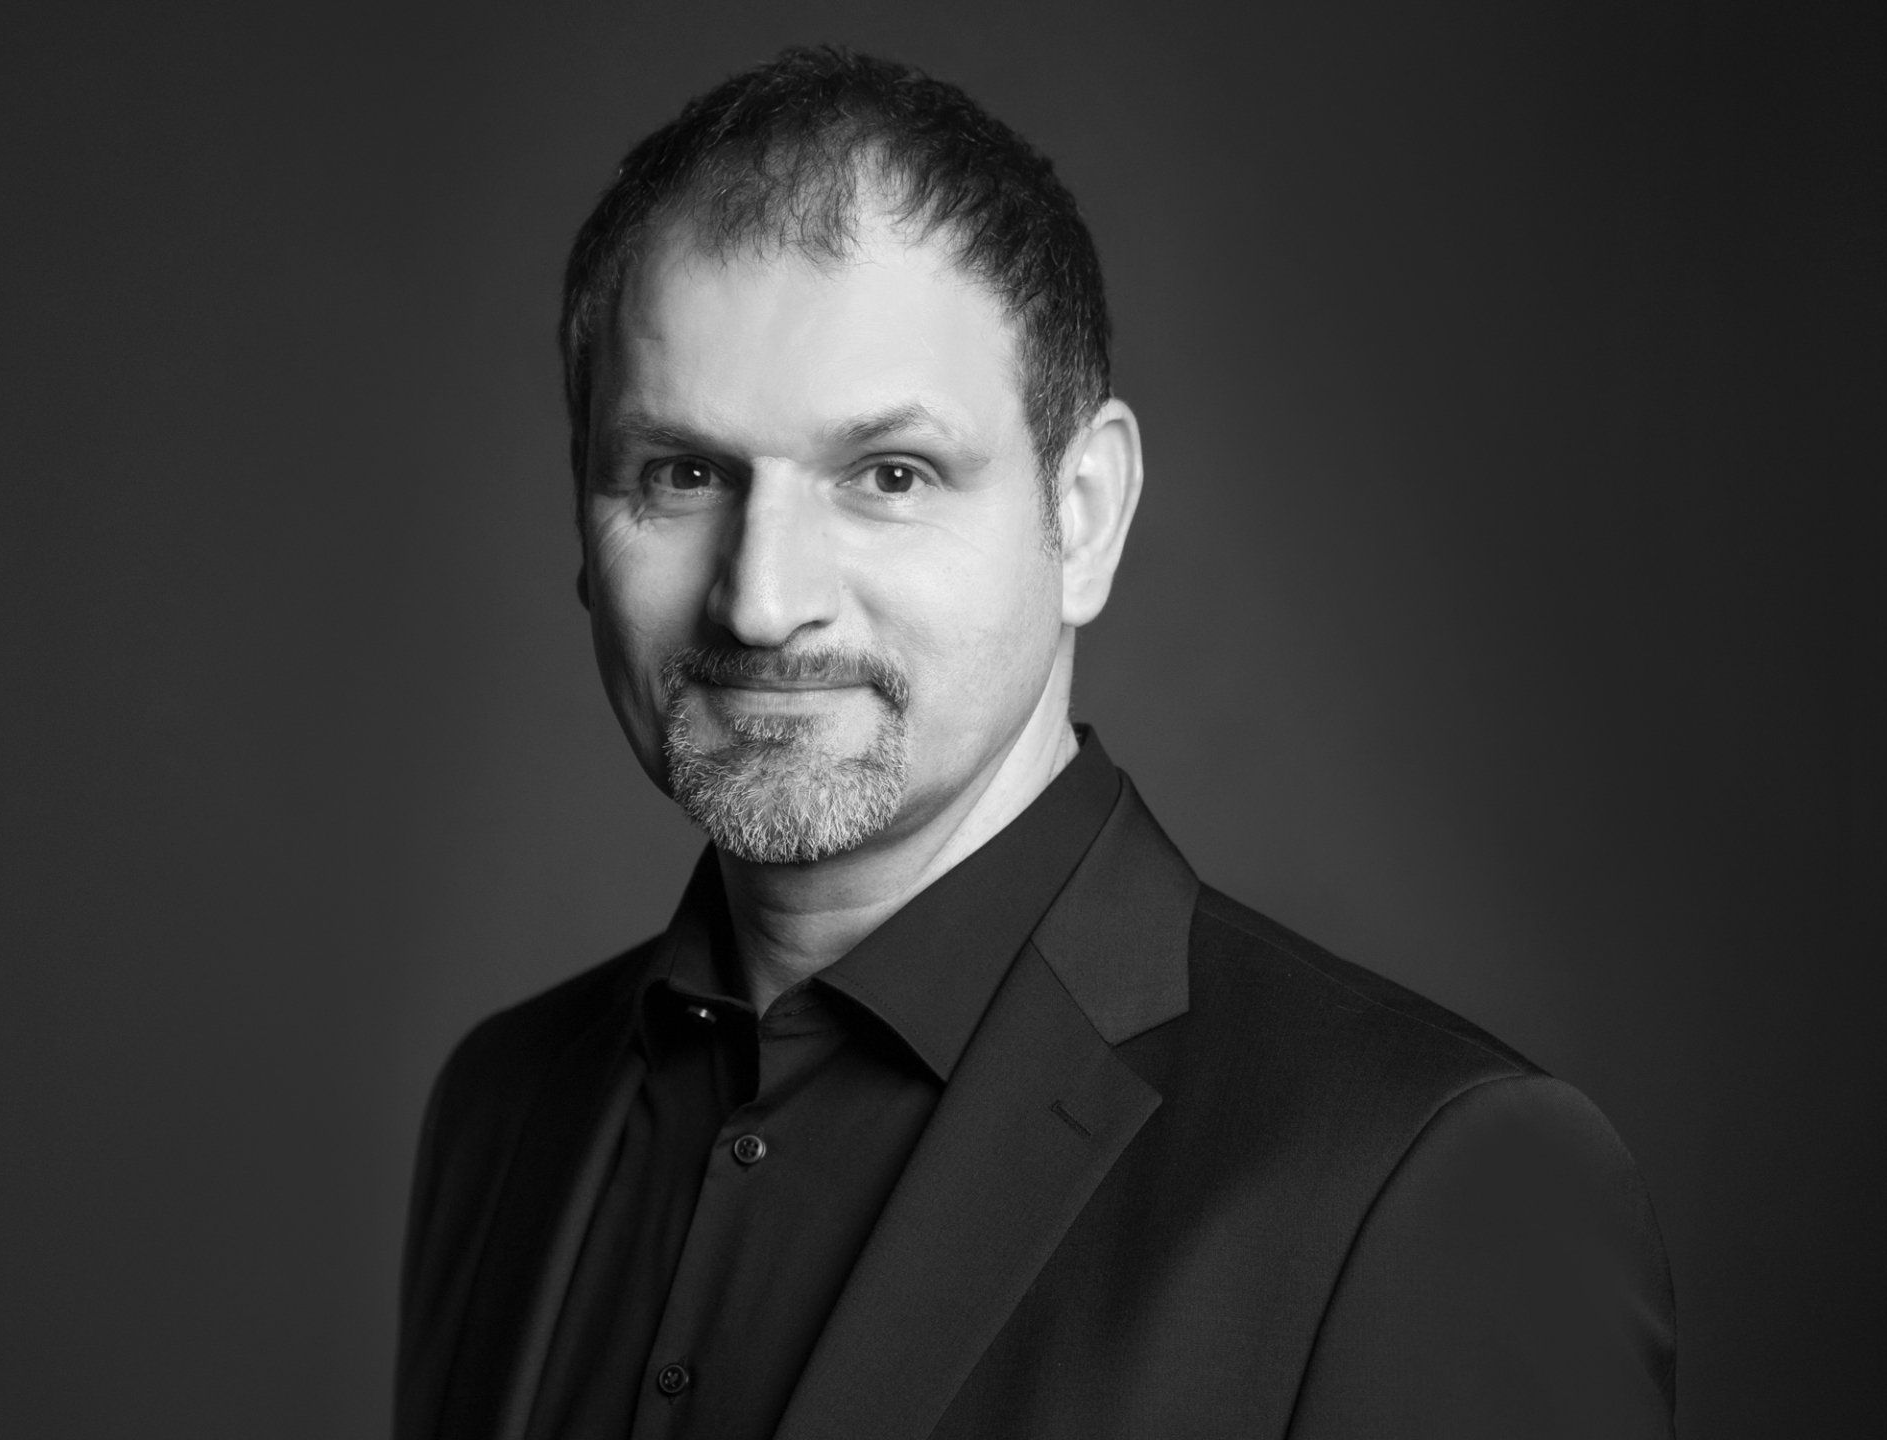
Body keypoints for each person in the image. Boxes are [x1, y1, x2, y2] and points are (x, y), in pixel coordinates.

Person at [396, 47, 1677, 1440]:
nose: (761, 601)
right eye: (684, 473)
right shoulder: (503, 1110)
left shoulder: (1434, 1177)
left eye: (889, 475)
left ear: (1086, 515)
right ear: (585, 522)